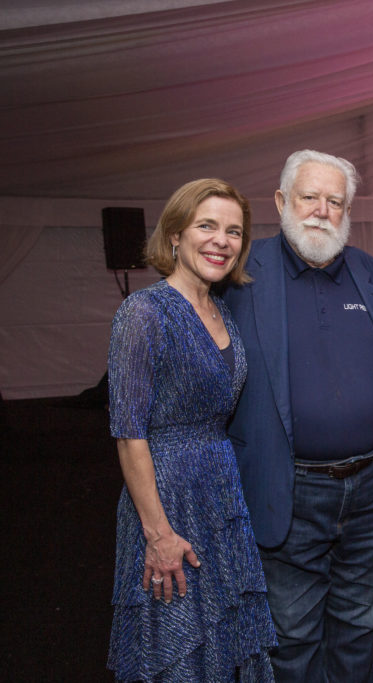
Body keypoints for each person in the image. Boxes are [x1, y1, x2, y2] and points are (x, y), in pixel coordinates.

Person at [224, 150, 373, 682]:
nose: (321, 211)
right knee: (290, 636)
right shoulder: (239, 278)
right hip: (290, 490)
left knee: (360, 629)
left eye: (334, 200)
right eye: (309, 197)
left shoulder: (372, 275)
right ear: (281, 201)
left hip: (371, 490)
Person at [107, 178, 276, 681]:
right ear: (176, 234)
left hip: (220, 494)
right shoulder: (144, 312)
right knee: (176, 646)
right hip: (167, 501)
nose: (221, 240)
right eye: (207, 225)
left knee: (224, 645)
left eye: (233, 231)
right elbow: (128, 433)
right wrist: (158, 534)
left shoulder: (220, 307)